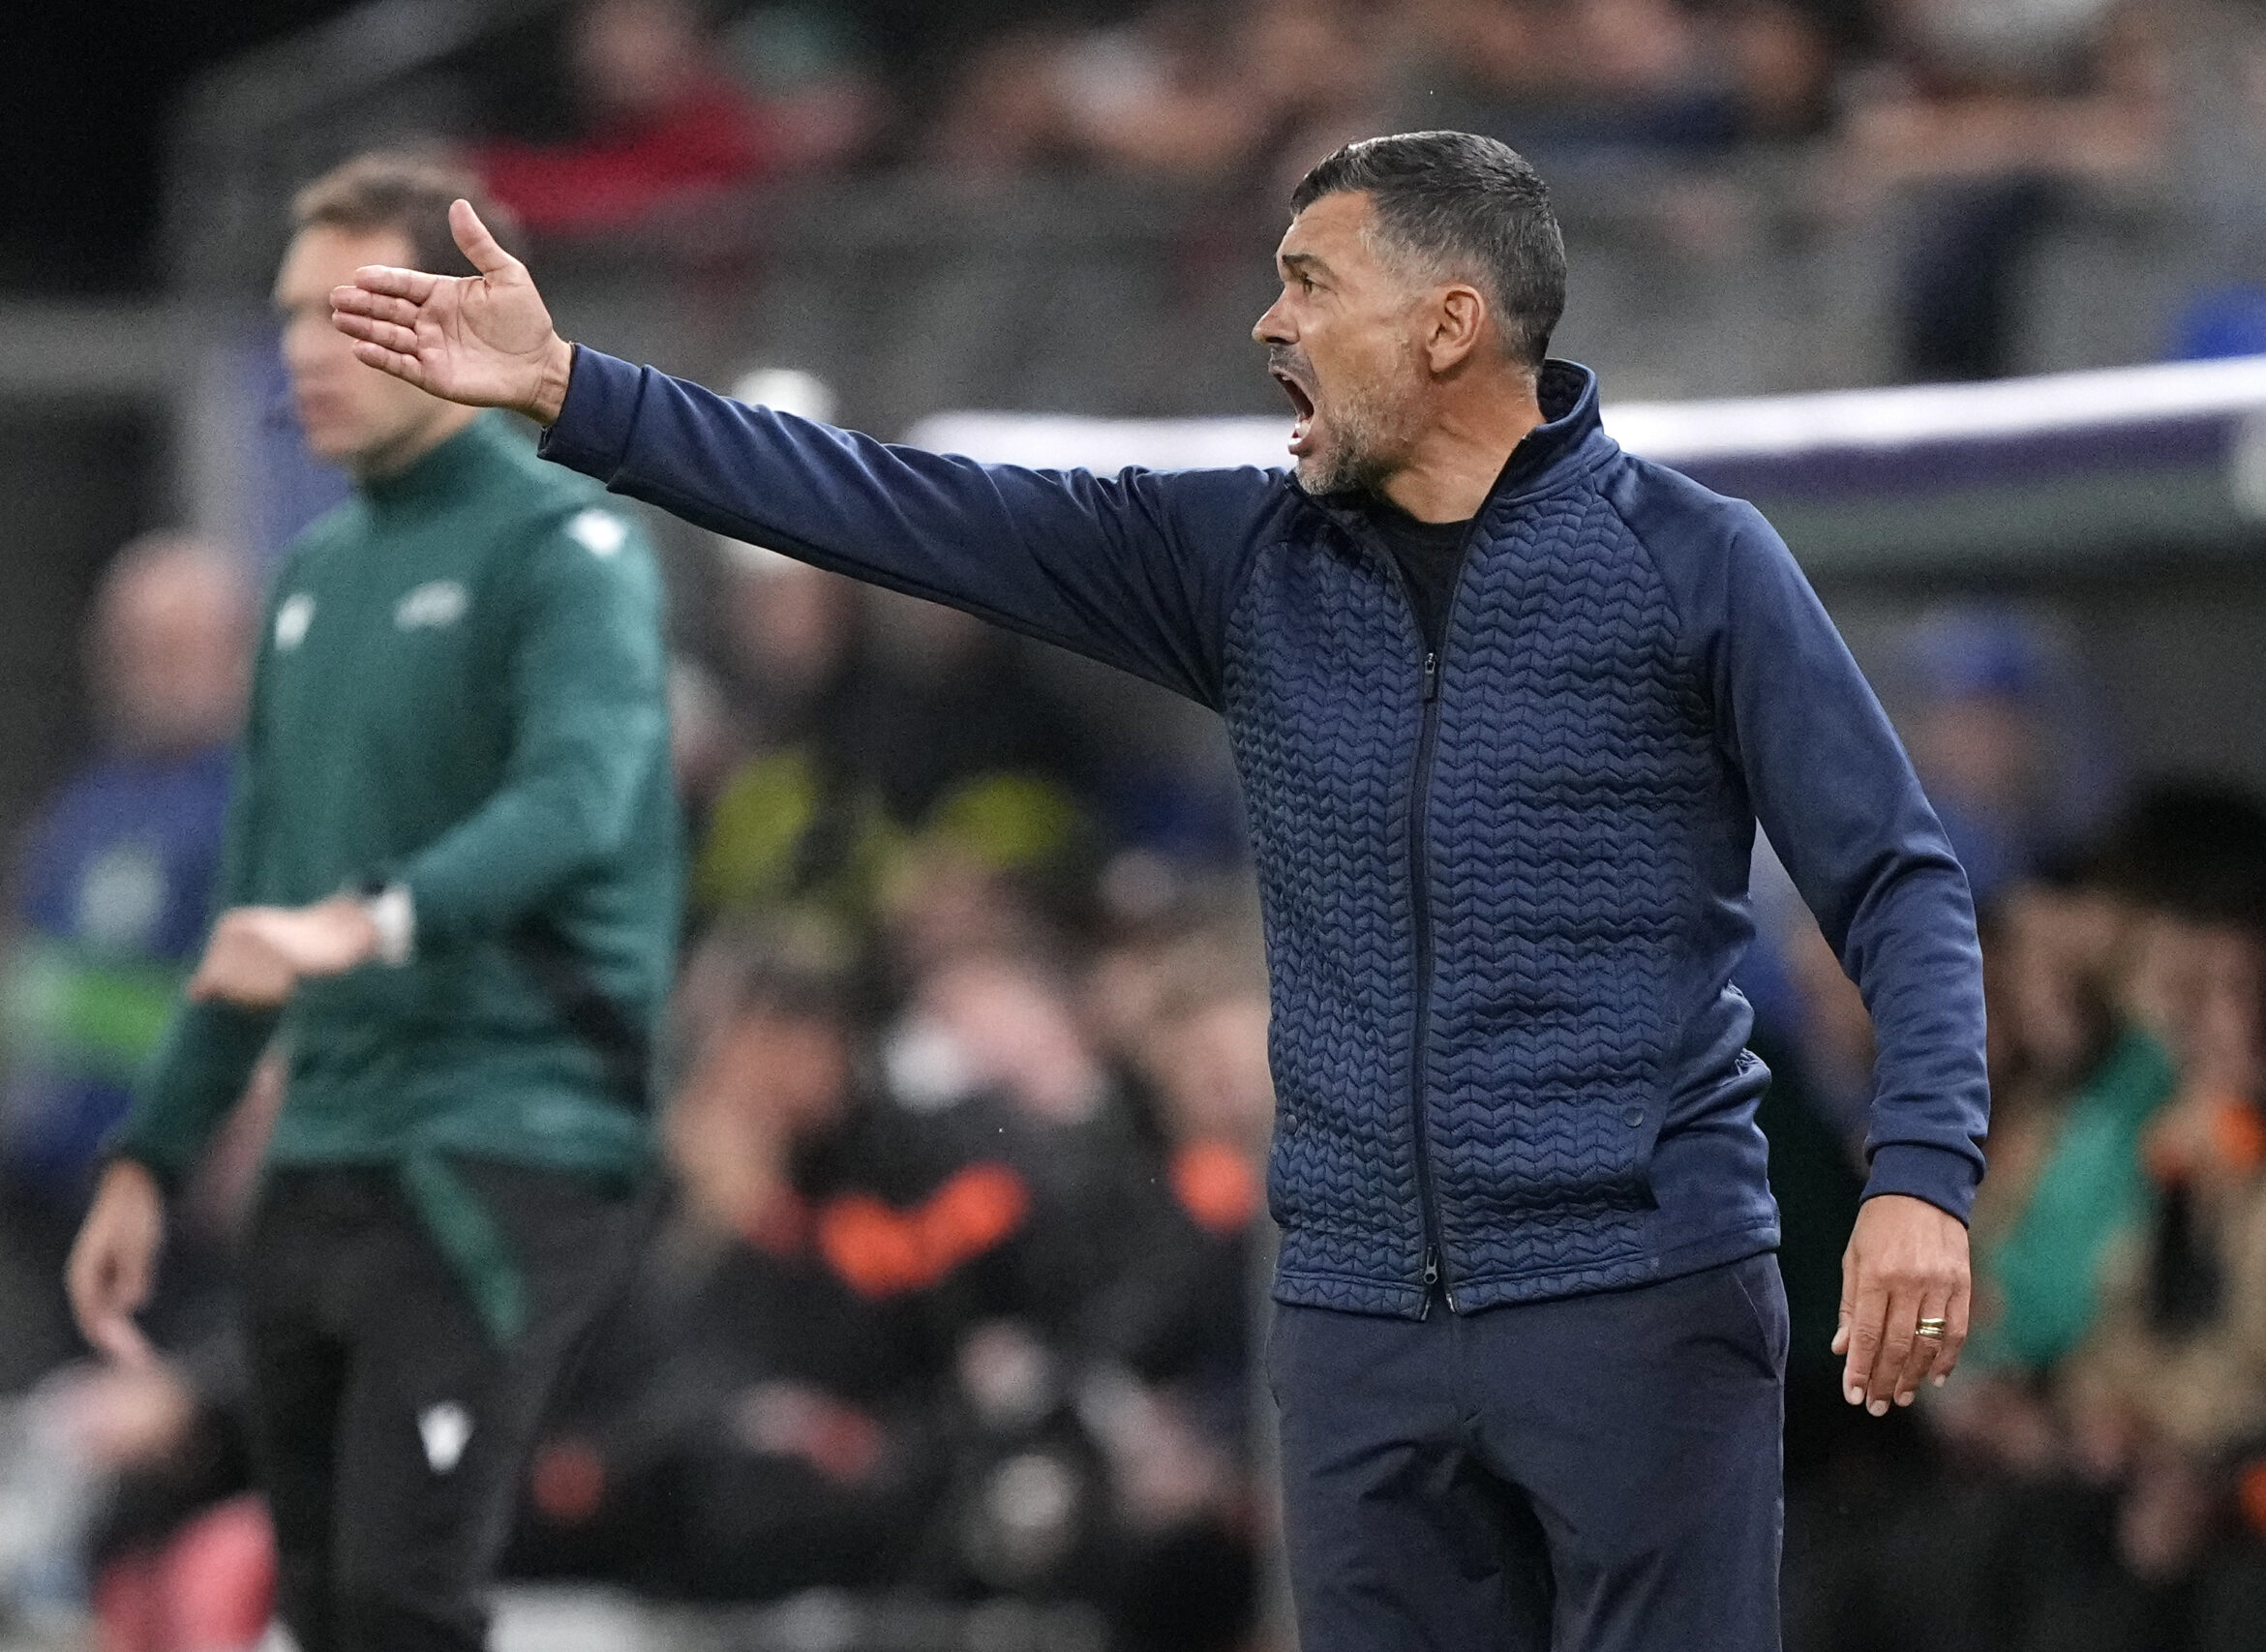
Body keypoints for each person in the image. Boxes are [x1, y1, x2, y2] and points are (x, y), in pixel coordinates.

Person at [332, 129, 1988, 1650]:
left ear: (1449, 323)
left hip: (1636, 1295)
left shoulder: (1693, 566)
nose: (1267, 325)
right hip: (1359, 1320)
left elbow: (1899, 884)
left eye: (1308, 282)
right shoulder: (1242, 565)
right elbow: (898, 510)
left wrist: (1920, 1167)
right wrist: (575, 394)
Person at [64, 153, 678, 1652]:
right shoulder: (306, 583)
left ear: (462, 317)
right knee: (331, 1603)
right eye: (287, 314)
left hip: (506, 1142)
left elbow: (575, 801)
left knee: (409, 1597)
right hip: (327, 1148)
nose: (298, 350)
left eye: (346, 311)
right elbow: (258, 902)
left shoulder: (570, 546)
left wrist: (371, 919)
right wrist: (152, 1155)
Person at [0, 535, 252, 1384]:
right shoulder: (89, 799)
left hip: (175, 1206)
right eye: (131, 648)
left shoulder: (257, 800)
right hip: (48, 1191)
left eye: (175, 647)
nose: (150, 671)